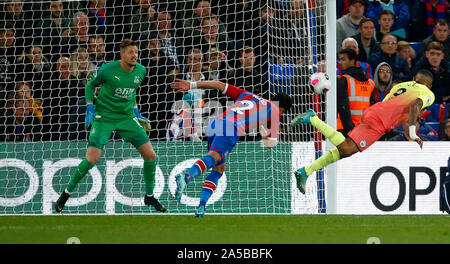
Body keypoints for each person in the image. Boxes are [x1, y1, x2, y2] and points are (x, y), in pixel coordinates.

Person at [55, 39, 166, 213]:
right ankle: (66, 193)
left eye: (136, 52)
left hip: (127, 117)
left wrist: (136, 111)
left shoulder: (141, 71)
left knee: (151, 156)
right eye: (130, 52)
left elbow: (131, 91)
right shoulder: (107, 70)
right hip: (104, 116)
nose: (134, 55)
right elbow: (90, 86)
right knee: (92, 159)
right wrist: (90, 107)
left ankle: (149, 196)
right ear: (122, 54)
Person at [290, 70, 435, 194]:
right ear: (429, 85)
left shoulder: (402, 85)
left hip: (373, 112)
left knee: (345, 150)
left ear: (415, 79)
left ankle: (305, 171)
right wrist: (413, 133)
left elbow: (388, 104)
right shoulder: (428, 93)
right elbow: (415, 105)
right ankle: (312, 119)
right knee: (346, 149)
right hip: (379, 123)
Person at [171, 79, 292, 217]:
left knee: (219, 168)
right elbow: (270, 144)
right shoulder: (275, 111)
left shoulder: (249, 95)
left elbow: (219, 84)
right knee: (214, 157)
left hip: (215, 123)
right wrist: (263, 128)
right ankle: (186, 176)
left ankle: (201, 207)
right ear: (282, 109)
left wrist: (192, 85)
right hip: (231, 129)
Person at [337, 48, 375, 137]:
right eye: (340, 59)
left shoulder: (344, 80)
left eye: (343, 59)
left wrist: (351, 130)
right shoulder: (370, 83)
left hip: (344, 129)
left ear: (352, 61)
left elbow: (343, 108)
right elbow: (373, 108)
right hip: (363, 129)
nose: (340, 62)